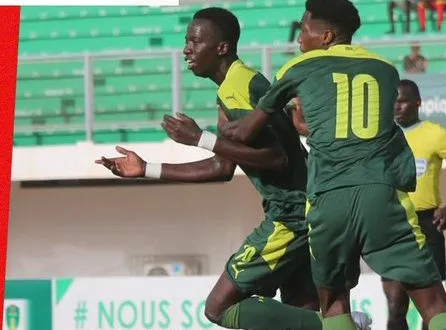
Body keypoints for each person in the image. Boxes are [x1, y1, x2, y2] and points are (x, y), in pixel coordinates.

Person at [95, 7, 371, 330]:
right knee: (299, 309)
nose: (187, 49)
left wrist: (201, 138)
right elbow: (223, 166)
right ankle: (334, 323)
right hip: (307, 210)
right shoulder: (231, 87)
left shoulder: (239, 84)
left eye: (195, 42)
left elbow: (276, 158)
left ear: (222, 47)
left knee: (218, 307)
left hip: (292, 215)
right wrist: (147, 169)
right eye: (186, 41)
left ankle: (343, 326)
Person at [217, 0, 446, 329]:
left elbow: (247, 129)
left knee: (334, 307)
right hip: (381, 195)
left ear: (326, 36)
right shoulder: (386, 70)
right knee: (433, 304)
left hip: (329, 200)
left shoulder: (295, 68)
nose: (299, 40)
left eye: (304, 31)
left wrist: (206, 136)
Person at [385, 79, 446, 330]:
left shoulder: (435, 133)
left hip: (426, 223)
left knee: (431, 306)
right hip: (392, 223)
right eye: (393, 101)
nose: (397, 107)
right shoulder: (383, 135)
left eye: (402, 101)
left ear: (417, 103)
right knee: (395, 304)